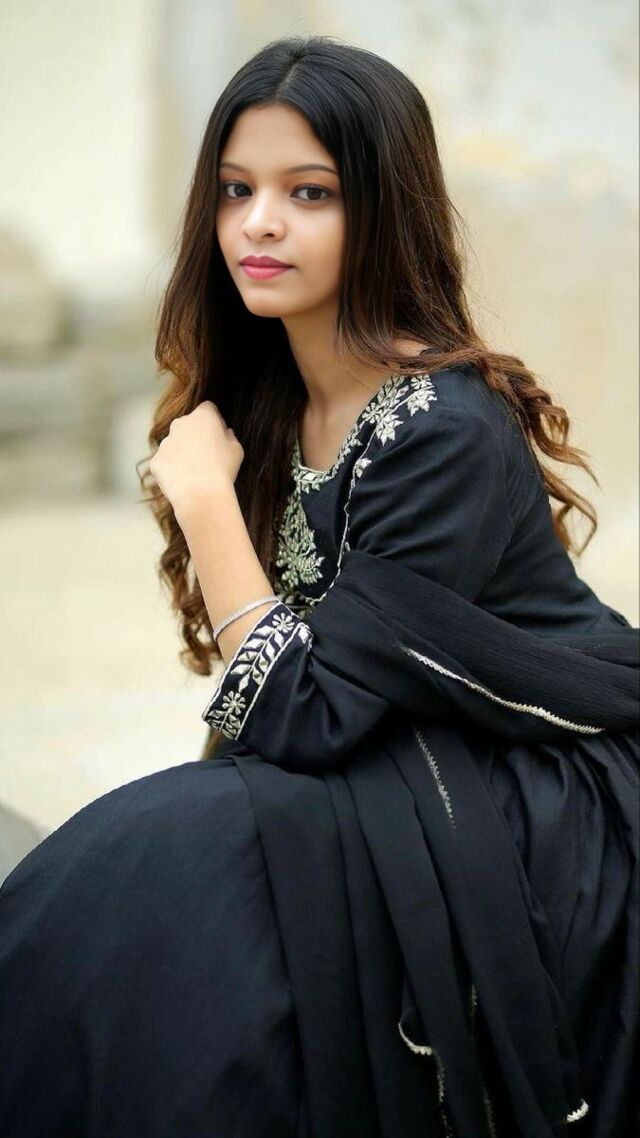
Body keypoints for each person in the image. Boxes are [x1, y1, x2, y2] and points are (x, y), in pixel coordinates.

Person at [0, 34, 637, 1138]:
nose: (259, 223)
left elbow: (306, 710)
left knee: (172, 862)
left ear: (382, 210)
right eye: (236, 190)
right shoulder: (269, 399)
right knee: (151, 874)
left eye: (310, 193)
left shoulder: (441, 429)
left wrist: (207, 504)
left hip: (523, 791)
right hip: (377, 755)